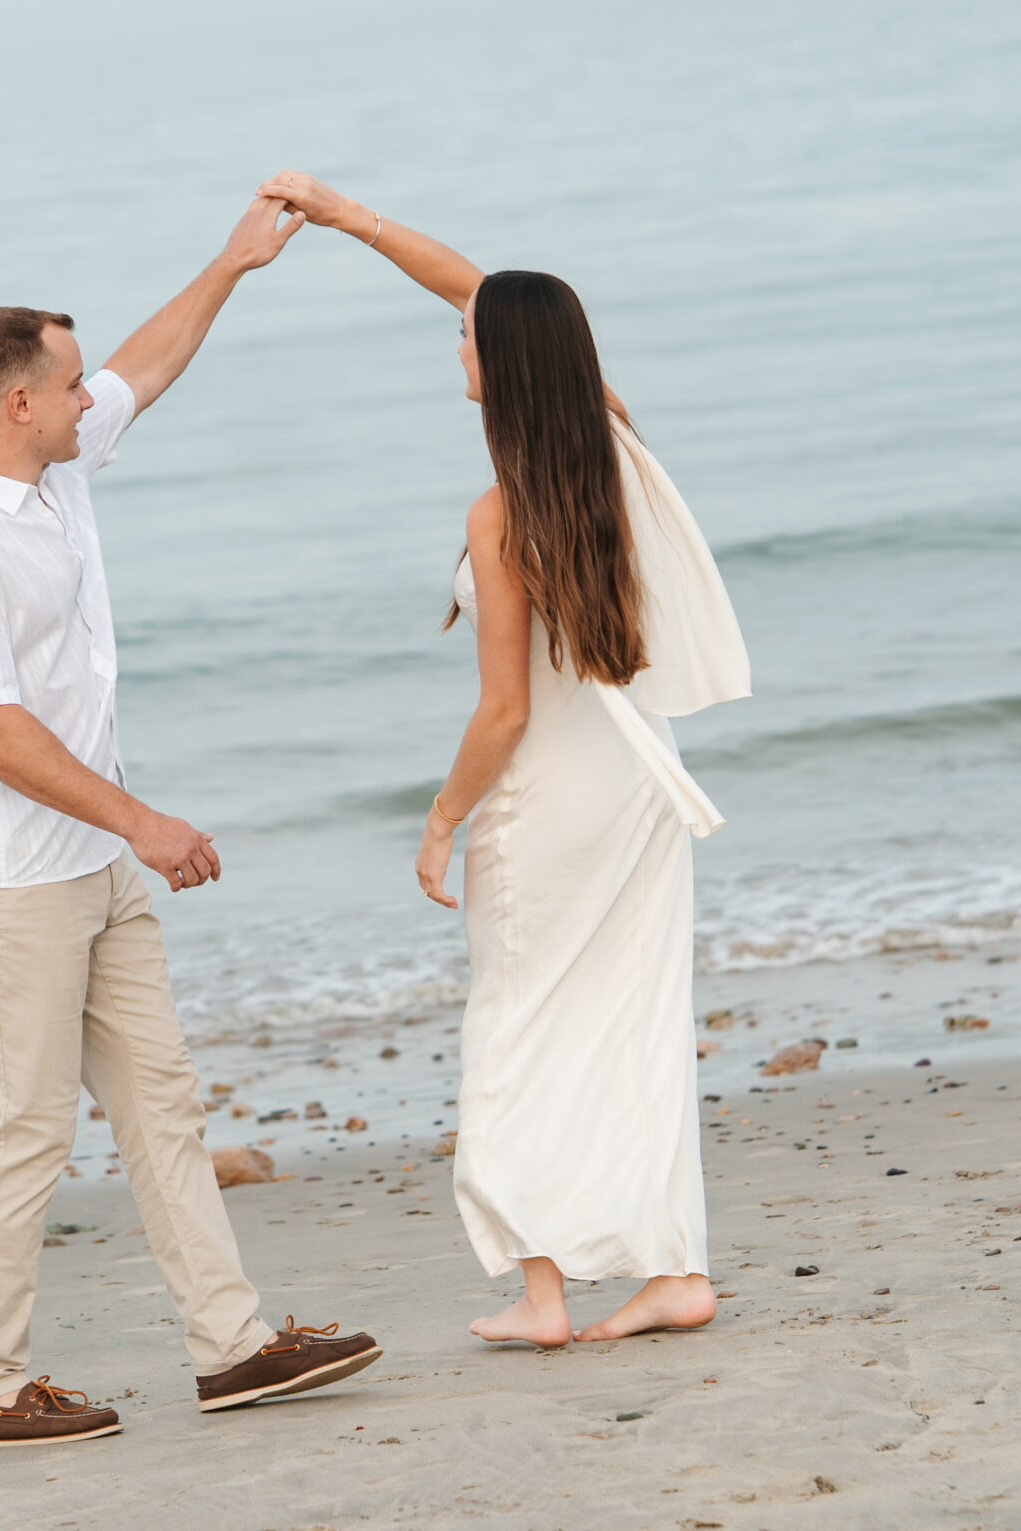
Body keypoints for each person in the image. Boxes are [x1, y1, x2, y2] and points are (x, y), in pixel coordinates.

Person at [0, 196, 379, 1448]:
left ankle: (232, 1347)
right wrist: (143, 821)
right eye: (67, 385)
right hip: (11, 881)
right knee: (28, 1133)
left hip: (91, 863)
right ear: (16, 406)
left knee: (163, 1102)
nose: (88, 396)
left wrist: (232, 264)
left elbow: (144, 370)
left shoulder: (50, 471)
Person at [257, 172, 751, 1348]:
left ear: (503, 365)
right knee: (632, 1023)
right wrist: (353, 219)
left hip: (551, 807)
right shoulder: (609, 445)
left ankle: (544, 1296)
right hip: (637, 784)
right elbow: (490, 295)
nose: (456, 337)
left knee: (516, 1028)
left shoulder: (500, 511)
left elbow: (501, 714)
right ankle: (674, 1271)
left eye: (468, 338)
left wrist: (441, 821)